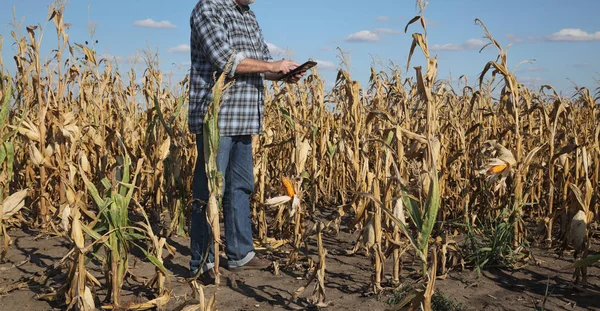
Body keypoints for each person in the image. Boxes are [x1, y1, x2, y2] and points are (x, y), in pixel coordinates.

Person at [187, 0, 306, 284]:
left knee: (240, 186)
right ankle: (202, 262)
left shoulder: (248, 16)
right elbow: (225, 59)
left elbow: (261, 65)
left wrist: (282, 74)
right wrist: (271, 64)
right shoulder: (208, 9)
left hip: (245, 117)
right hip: (218, 117)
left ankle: (241, 254)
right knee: (209, 189)